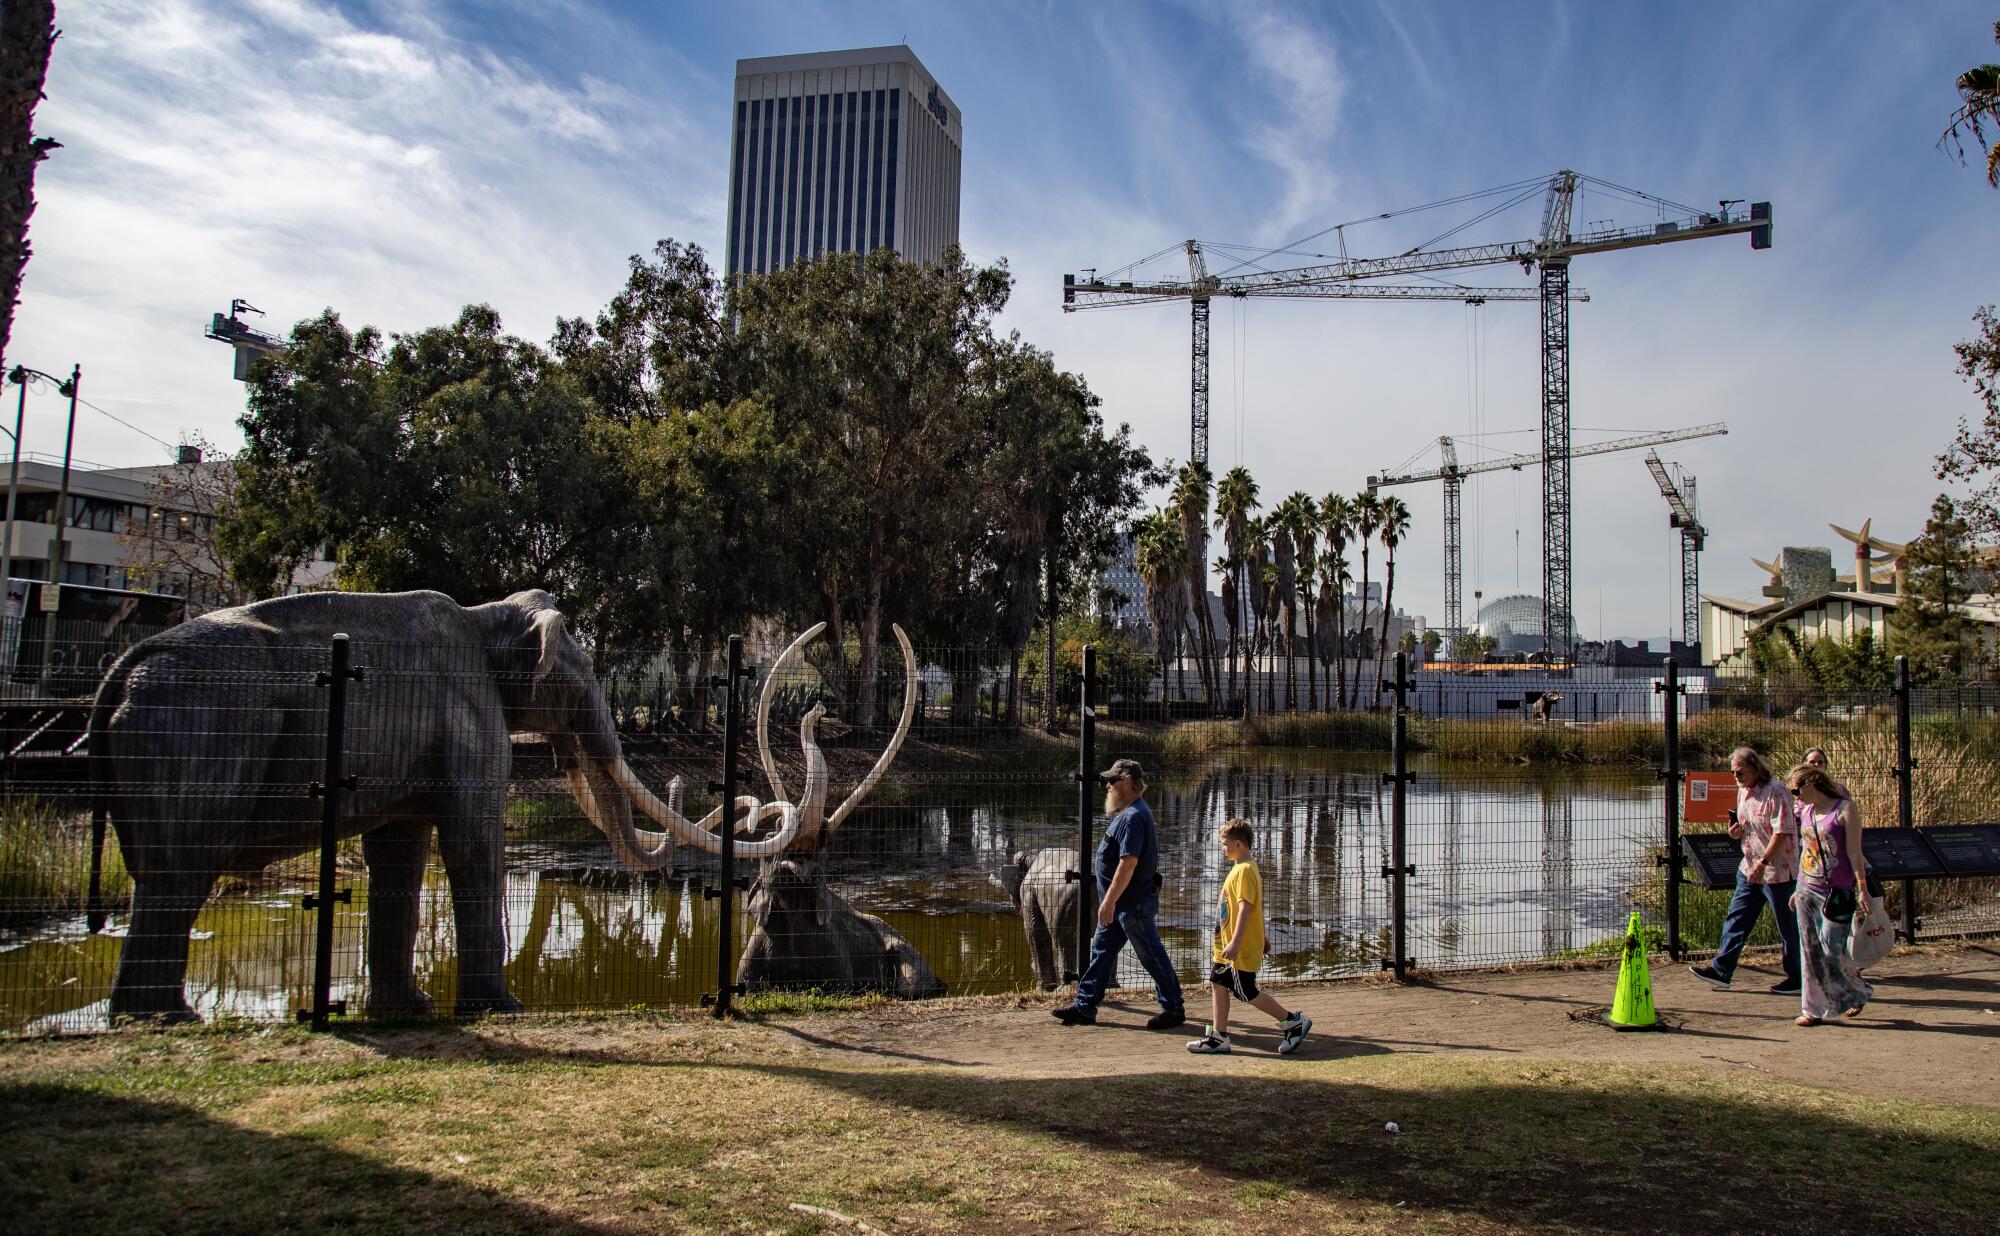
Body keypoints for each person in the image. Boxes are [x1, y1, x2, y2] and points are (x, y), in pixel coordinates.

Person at [1051, 758, 1185, 1029]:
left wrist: (1109, 900)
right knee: (1101, 951)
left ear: (1129, 782)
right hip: (1122, 904)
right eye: (1108, 780)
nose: (1108, 785)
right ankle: (1084, 1006)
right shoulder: (1129, 814)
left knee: (1150, 954)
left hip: (1131, 904)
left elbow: (1128, 863)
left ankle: (1173, 1008)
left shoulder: (1135, 817)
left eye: (1114, 780)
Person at [1187, 819, 1311, 1055]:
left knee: (1245, 991)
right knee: (1218, 983)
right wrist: (1262, 935)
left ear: (1237, 844)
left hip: (1238, 947)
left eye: (1225, 844)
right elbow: (1256, 908)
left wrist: (1235, 941)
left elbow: (1246, 907)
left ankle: (1293, 1021)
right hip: (1225, 945)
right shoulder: (1242, 867)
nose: (1222, 848)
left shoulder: (1244, 870)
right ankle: (1218, 1036)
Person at [1687, 746, 1802, 995]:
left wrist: (1764, 864)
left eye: (1739, 772)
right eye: (1732, 772)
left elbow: (1782, 831)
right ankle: (1722, 970)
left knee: (1788, 926)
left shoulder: (1776, 791)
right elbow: (1747, 825)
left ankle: (1798, 976)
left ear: (1755, 768)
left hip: (1777, 872)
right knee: (1737, 918)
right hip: (1749, 867)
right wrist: (1735, 832)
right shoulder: (1743, 791)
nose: (1735, 777)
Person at [1789, 764, 1874, 1025]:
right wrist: (1796, 889)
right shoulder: (1806, 811)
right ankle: (1812, 1009)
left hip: (1837, 891)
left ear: (1812, 784)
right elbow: (1805, 851)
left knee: (1831, 946)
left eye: (1797, 789)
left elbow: (1854, 853)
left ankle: (1857, 989)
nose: (1796, 796)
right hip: (1807, 888)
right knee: (1809, 950)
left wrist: (1863, 889)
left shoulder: (1844, 809)